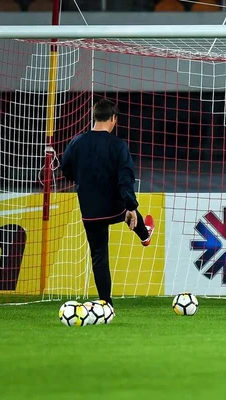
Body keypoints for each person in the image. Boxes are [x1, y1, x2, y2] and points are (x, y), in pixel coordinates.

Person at [61, 98, 155, 307]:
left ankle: (106, 304)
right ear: (113, 119)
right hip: (115, 207)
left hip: (90, 210)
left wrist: (83, 178)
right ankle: (144, 233)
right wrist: (131, 207)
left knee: (99, 257)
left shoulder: (77, 142)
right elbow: (126, 178)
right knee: (128, 207)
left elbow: (65, 169)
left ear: (94, 117)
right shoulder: (118, 145)